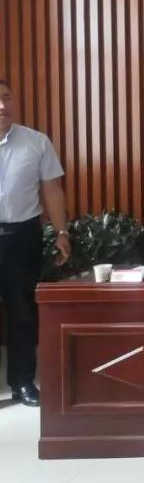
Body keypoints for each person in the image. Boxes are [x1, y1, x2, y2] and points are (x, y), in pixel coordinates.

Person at [0, 78, 70, 407]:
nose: (2, 106)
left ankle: (23, 382)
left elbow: (52, 190)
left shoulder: (36, 142)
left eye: (6, 98)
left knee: (23, 312)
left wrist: (61, 232)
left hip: (22, 236)